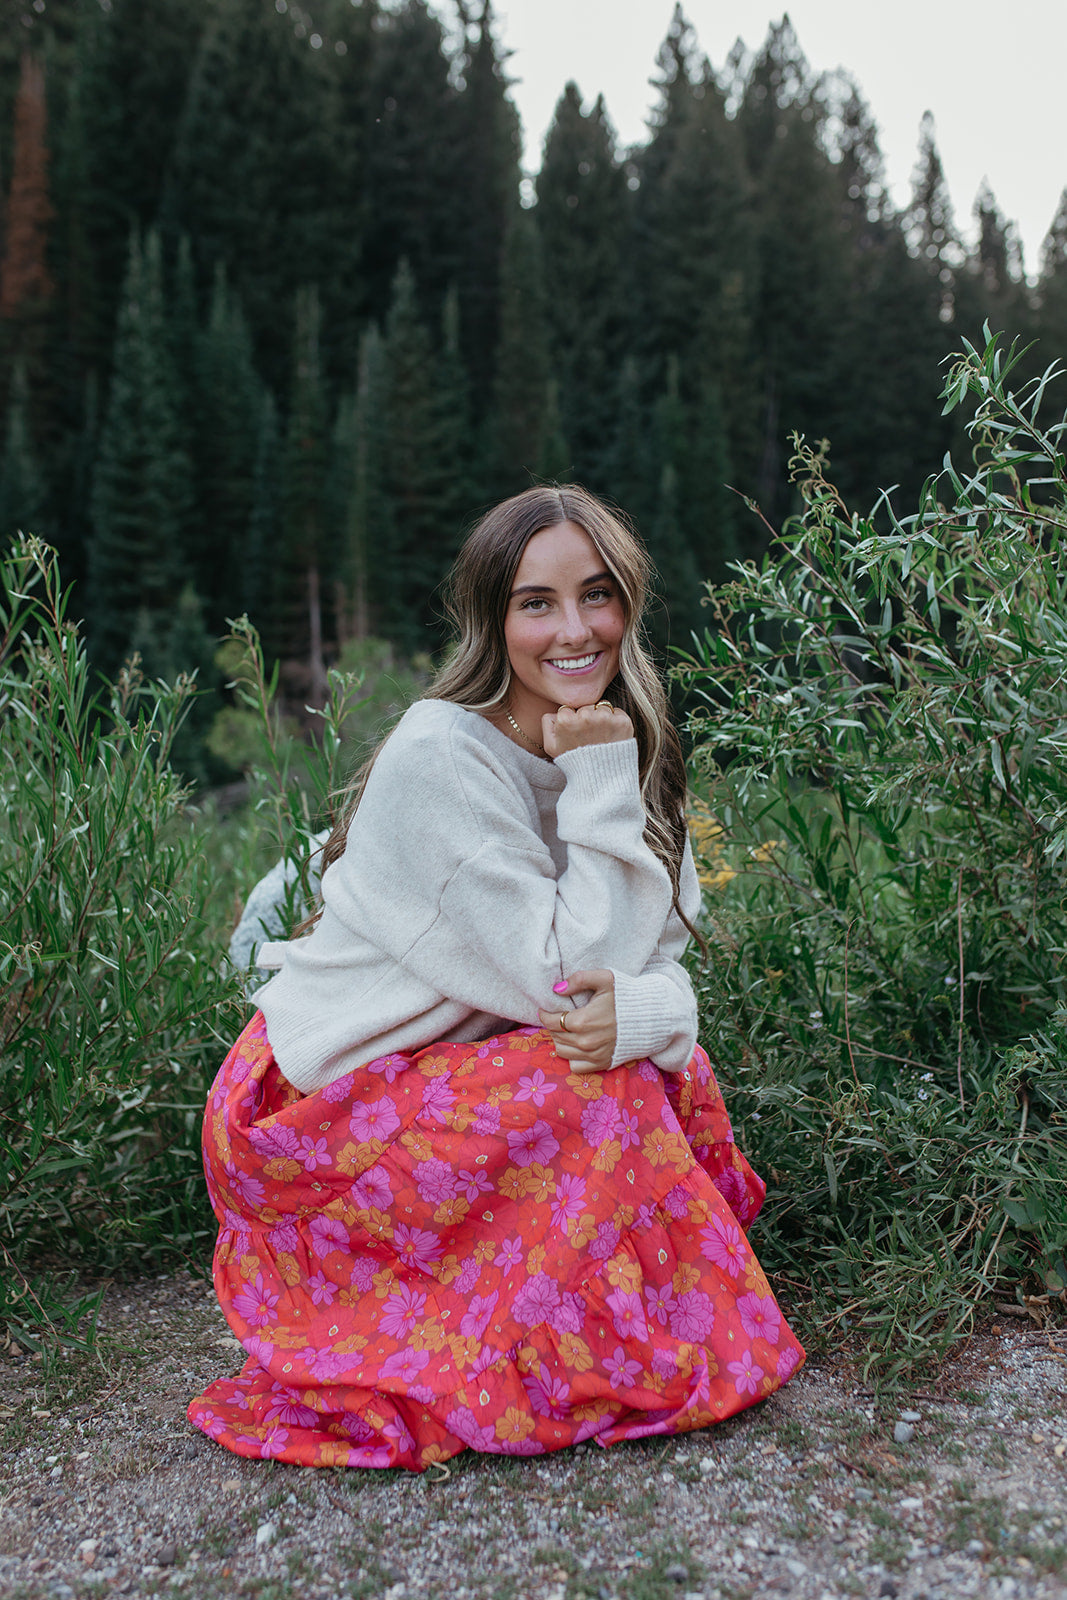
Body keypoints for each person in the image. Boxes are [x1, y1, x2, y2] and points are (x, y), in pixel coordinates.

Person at [188, 484, 804, 1471]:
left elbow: (649, 971)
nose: (574, 630)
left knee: (659, 1071)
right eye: (536, 603)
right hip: (312, 1109)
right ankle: (581, 1344)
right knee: (602, 1084)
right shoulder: (444, 754)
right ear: (492, 617)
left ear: (628, 602)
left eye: (595, 595)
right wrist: (600, 789)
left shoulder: (623, 744)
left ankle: (579, 1333)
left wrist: (653, 1007)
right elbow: (564, 982)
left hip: (452, 1072)